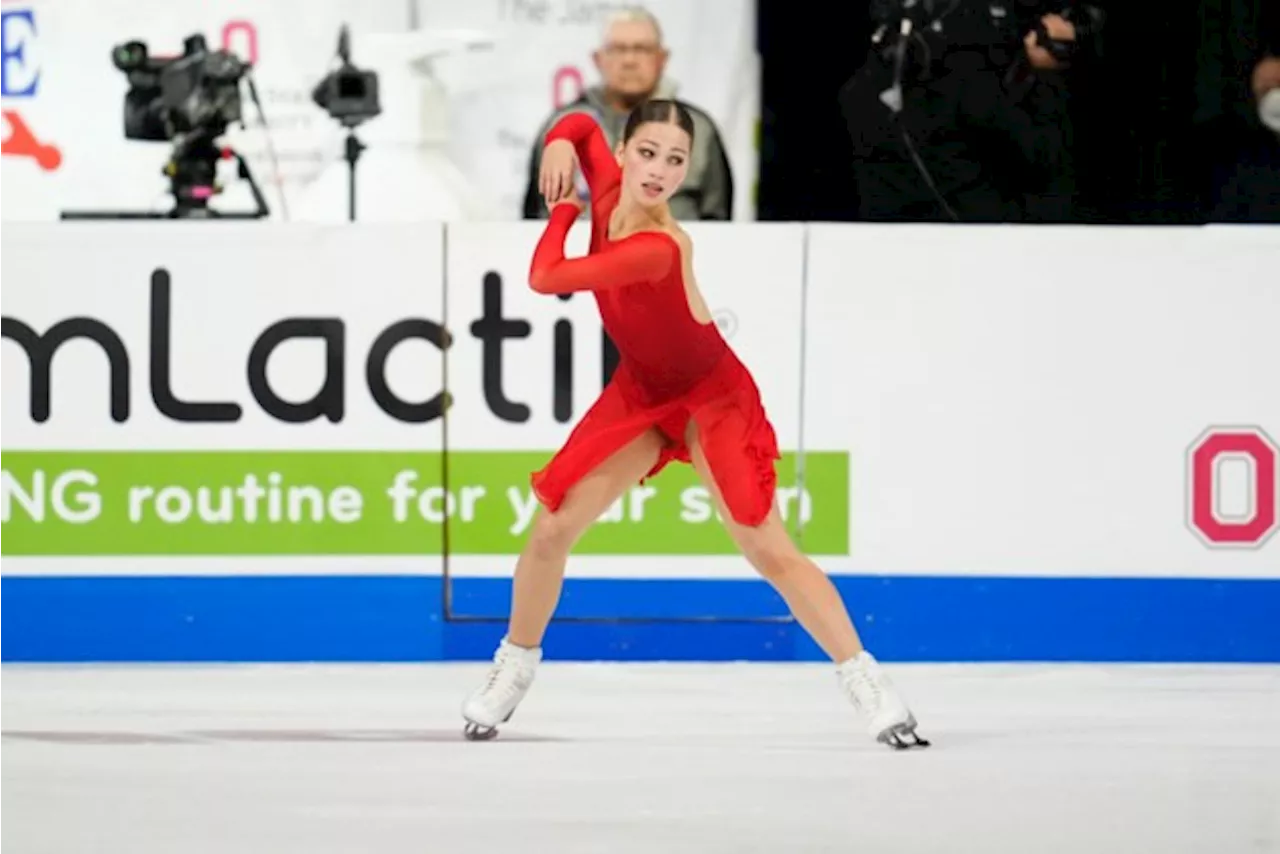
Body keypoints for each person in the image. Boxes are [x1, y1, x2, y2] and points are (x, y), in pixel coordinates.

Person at [461, 101, 929, 751]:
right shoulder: (609, 177)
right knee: (552, 527)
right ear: (622, 153)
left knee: (765, 546)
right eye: (647, 153)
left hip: (713, 399)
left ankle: (865, 679)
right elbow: (577, 125)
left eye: (676, 161)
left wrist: (564, 209)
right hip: (642, 392)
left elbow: (547, 277)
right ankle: (515, 664)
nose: (658, 171)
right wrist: (557, 146)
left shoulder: (660, 245)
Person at [521, 7, 734, 222]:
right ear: (598, 59)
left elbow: (718, 221)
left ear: (662, 59)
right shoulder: (561, 126)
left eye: (642, 49)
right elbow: (536, 215)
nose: (629, 61)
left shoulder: (698, 128)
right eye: (618, 49)